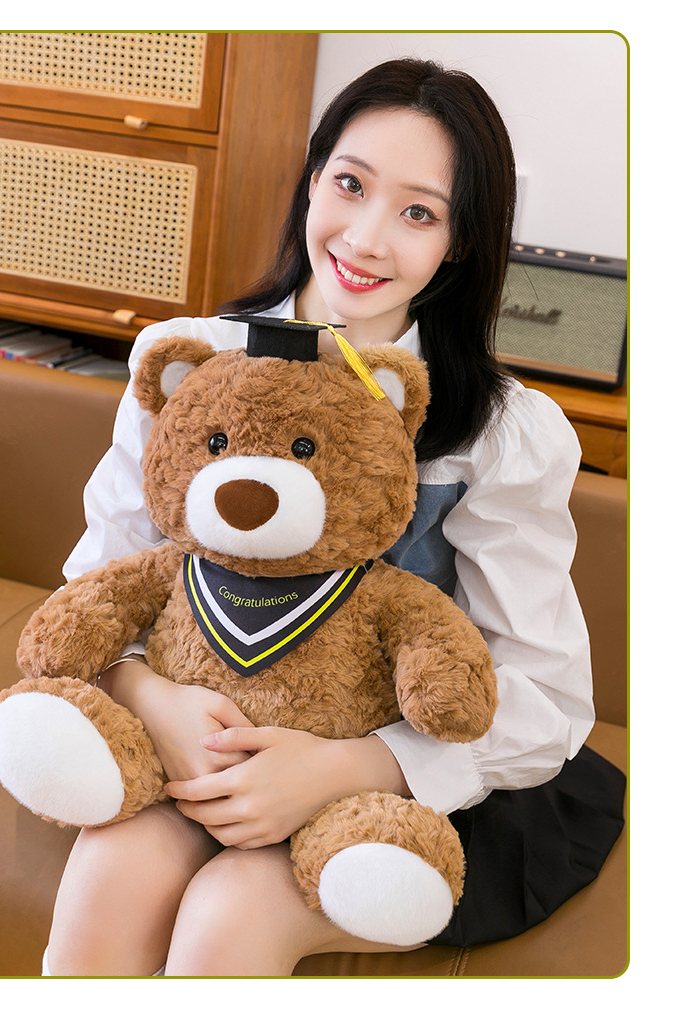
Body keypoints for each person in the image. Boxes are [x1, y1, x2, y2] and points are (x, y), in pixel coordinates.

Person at [42, 58, 624, 977]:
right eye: (350, 184)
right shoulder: (190, 362)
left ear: (460, 243)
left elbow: (546, 696)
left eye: (419, 213)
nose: (366, 237)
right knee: (112, 876)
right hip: (200, 742)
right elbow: (97, 588)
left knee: (232, 914)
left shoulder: (505, 432)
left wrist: (353, 766)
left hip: (394, 776)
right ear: (313, 179)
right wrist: (151, 700)